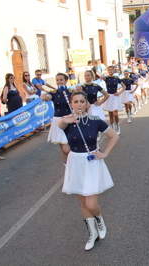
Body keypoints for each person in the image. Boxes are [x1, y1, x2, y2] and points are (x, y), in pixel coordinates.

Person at [58, 91, 119, 251]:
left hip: (91, 163)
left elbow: (114, 136)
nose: (79, 104)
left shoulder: (95, 120)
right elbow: (60, 125)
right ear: (71, 103)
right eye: (75, 101)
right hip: (75, 162)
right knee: (83, 203)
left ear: (86, 104)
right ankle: (92, 234)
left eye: (81, 101)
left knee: (91, 204)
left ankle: (99, 220)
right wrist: (67, 120)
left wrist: (105, 153)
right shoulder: (68, 121)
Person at [40, 73, 74, 163]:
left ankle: (72, 166)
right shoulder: (54, 93)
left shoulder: (71, 92)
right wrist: (45, 97)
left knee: (68, 149)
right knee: (64, 150)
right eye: (57, 80)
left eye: (61, 80)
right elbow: (48, 96)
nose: (59, 82)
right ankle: (67, 168)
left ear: (66, 81)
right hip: (57, 122)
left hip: (69, 120)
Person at [102, 66, 125, 134]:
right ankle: (112, 128)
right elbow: (101, 76)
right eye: (108, 70)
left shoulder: (117, 78)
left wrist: (119, 92)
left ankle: (118, 126)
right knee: (110, 114)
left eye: (111, 70)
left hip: (115, 96)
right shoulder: (106, 78)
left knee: (115, 114)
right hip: (109, 96)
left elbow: (124, 86)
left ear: (113, 70)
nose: (110, 71)